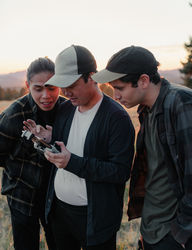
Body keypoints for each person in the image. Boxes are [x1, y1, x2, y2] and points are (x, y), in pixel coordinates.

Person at [25, 45, 135, 250]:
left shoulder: (116, 118)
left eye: (71, 84)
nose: (65, 92)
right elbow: (68, 144)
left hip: (95, 219)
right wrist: (50, 138)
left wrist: (72, 163)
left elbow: (120, 172)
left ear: (91, 77)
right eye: (62, 85)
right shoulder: (66, 108)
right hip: (59, 214)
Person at [92, 45, 192, 250]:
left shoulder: (182, 103)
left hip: (176, 234)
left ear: (143, 81)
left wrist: (181, 235)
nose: (115, 96)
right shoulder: (147, 110)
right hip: (153, 229)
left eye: (120, 88)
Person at [0, 57, 66, 250]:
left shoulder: (67, 111)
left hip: (56, 196)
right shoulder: (14, 114)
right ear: (28, 85)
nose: (46, 95)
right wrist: (19, 172)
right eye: (38, 88)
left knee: (59, 243)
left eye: (52, 87)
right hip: (22, 194)